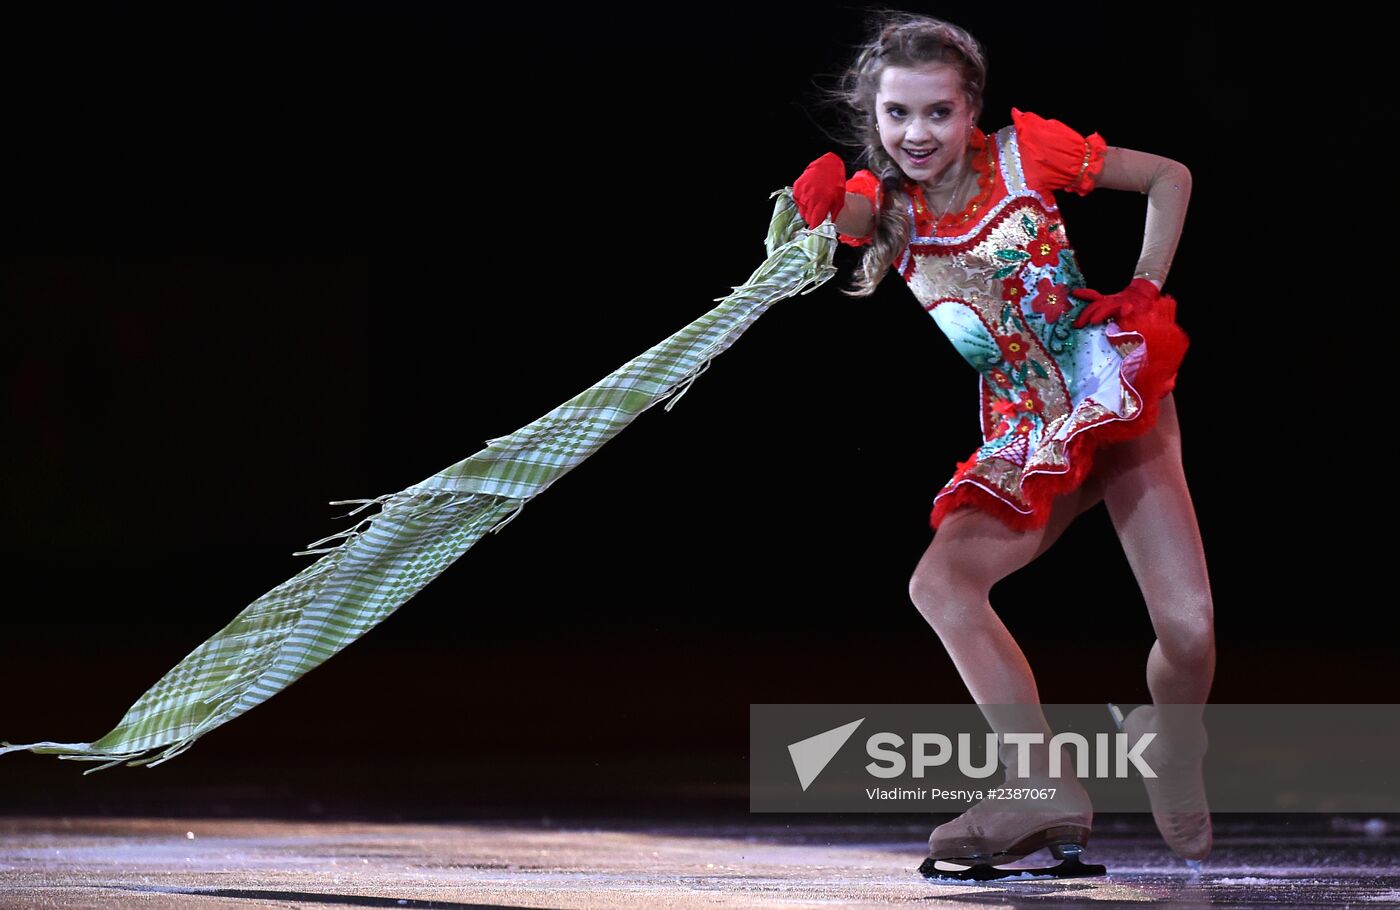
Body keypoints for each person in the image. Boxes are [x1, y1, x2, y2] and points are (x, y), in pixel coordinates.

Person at [791, 12, 1216, 879]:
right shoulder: (888, 205)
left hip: (1110, 394)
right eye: (896, 114)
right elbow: (850, 218)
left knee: (1192, 632)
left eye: (937, 113)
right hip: (1026, 435)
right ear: (873, 116)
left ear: (970, 108)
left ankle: (1171, 739)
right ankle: (1036, 787)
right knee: (940, 583)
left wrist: (1143, 284)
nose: (916, 133)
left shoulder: (1029, 154)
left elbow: (1170, 176)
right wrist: (823, 207)